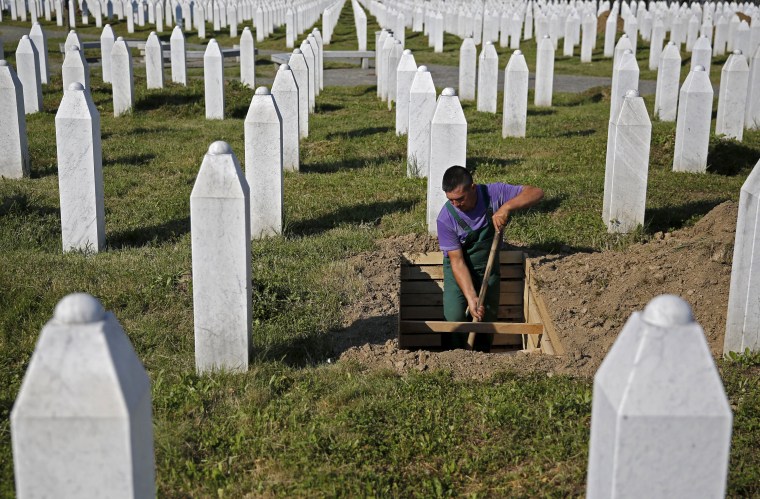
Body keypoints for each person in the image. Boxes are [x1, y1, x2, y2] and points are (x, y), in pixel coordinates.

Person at [436, 166, 544, 350]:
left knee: (487, 319)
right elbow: (457, 261)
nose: (456, 205)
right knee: (454, 317)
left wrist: (506, 207)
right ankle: (453, 360)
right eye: (450, 200)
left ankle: (482, 362)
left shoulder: (493, 193)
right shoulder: (446, 218)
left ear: (473, 187)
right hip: (459, 270)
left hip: (488, 267)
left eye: (460, 199)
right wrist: (471, 298)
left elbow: (537, 192)